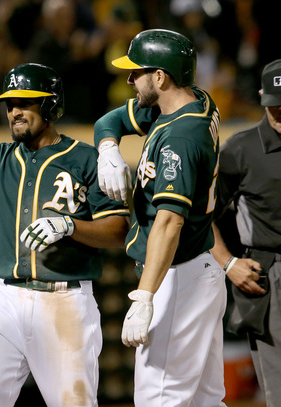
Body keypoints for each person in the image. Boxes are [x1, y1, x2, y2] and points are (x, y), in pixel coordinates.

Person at [0, 62, 130, 407]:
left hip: (65, 299)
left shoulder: (85, 158)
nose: (15, 112)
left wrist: (69, 225)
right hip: (3, 298)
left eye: (25, 103)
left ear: (51, 105)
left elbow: (118, 230)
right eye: (10, 104)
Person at [93, 29, 226, 406]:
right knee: (204, 401)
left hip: (177, 277)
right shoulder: (193, 99)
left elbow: (169, 223)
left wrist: (145, 296)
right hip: (198, 271)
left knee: (159, 399)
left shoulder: (181, 138)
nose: (129, 80)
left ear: (160, 76)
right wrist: (108, 148)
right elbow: (109, 121)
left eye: (136, 72)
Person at [211, 58, 281, 407]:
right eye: (275, 105)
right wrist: (228, 263)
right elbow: (199, 216)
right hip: (271, 273)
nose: (280, 113)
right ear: (262, 97)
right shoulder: (242, 148)